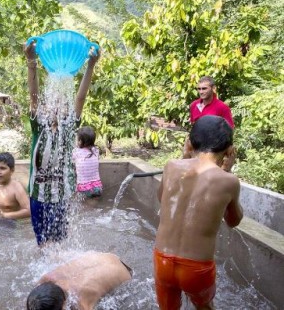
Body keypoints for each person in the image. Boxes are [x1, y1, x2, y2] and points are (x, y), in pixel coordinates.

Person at [154, 115, 243, 309]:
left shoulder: (171, 166)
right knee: (205, 307)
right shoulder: (228, 181)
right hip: (196, 268)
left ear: (189, 142)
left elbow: (162, 198)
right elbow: (233, 221)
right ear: (229, 151)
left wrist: (185, 157)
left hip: (162, 259)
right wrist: (227, 170)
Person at [24, 40, 100, 246]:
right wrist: (31, 61)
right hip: (37, 195)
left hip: (61, 196)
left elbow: (81, 98)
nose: (57, 106)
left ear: (68, 110)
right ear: (44, 108)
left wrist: (91, 66)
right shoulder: (39, 127)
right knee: (42, 243)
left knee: (58, 243)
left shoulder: (68, 130)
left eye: (63, 103)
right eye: (52, 103)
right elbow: (33, 96)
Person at [26, 251, 132, 310]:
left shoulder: (80, 302)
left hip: (125, 273)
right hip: (108, 257)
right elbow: (35, 301)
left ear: (64, 306)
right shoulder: (48, 277)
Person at [183, 76, 235, 158]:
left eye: (204, 89)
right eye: (199, 89)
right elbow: (193, 126)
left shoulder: (222, 107)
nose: (201, 91)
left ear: (213, 88)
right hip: (196, 149)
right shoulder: (194, 105)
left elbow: (229, 130)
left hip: (213, 150)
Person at [72, 126, 103, 198]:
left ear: (80, 141)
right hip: (97, 187)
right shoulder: (96, 150)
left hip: (84, 187)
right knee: (93, 207)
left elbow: (71, 159)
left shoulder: (77, 152)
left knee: (84, 207)